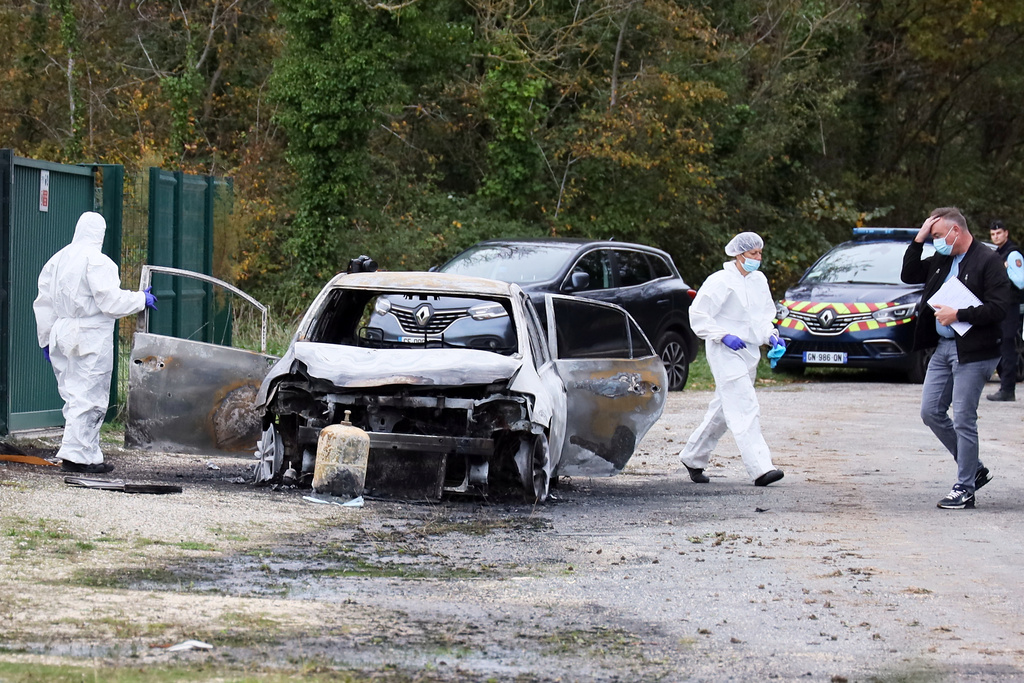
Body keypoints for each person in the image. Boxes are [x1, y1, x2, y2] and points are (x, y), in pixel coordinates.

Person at [901, 207, 1011, 509]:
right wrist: (921, 237)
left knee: (963, 417)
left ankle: (965, 487)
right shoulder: (942, 257)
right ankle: (973, 467)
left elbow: (999, 308)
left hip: (975, 351)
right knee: (930, 411)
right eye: (933, 236)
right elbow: (908, 273)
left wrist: (959, 314)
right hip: (943, 347)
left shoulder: (988, 261)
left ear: (956, 232)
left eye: (938, 235)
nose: (937, 241)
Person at [33, 211, 157, 474]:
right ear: (100, 233)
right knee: (89, 396)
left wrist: (45, 338)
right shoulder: (98, 262)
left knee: (72, 395)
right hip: (89, 335)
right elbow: (110, 302)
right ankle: (79, 456)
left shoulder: (57, 260)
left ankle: (82, 453)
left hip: (61, 333)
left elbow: (43, 302)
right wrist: (139, 299)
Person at [678, 231, 786, 487]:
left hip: (748, 351)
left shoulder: (758, 280)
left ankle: (693, 456)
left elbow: (761, 317)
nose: (758, 258)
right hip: (725, 349)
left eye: (760, 253)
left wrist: (771, 336)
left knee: (724, 409)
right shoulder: (720, 281)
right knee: (745, 405)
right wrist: (722, 335)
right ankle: (761, 468)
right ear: (738, 255)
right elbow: (699, 314)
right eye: (752, 253)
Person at [985, 219, 1024, 401]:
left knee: (1007, 346)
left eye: (998, 233)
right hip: (999, 306)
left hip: (1010, 306)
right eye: (993, 234)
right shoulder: (998, 253)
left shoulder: (1013, 254)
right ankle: (1004, 386)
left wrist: (1004, 269)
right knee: (1000, 345)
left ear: (1006, 233)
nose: (995, 236)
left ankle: (1008, 389)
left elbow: (1021, 282)